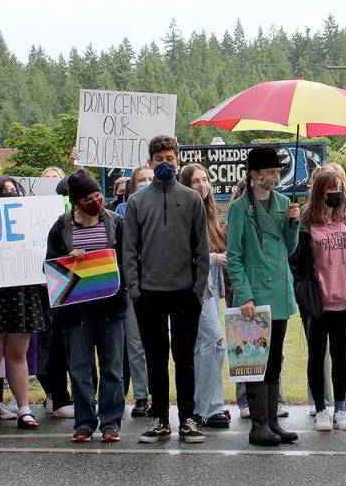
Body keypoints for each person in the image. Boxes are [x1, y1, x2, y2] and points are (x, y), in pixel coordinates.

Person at [123, 136, 210, 444]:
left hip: (186, 292)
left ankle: (187, 418)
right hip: (148, 293)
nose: (165, 163)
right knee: (155, 358)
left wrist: (198, 288)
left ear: (178, 160)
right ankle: (160, 418)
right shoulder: (136, 202)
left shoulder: (191, 199)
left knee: (184, 357)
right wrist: (134, 290)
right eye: (159, 158)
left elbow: (202, 248)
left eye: (170, 158)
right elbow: (129, 249)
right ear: (150, 162)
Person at [227, 146, 301, 446]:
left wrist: (293, 224)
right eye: (269, 171)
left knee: (274, 361)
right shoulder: (239, 208)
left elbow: (289, 248)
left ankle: (272, 422)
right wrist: (244, 295)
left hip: (280, 293)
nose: (276, 176)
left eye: (277, 171)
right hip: (255, 294)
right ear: (255, 175)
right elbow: (234, 256)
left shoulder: (284, 203)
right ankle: (258, 426)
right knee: (255, 360)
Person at [46, 170, 128, 443]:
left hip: (110, 307)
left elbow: (128, 261)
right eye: (89, 197)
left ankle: (110, 422)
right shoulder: (61, 227)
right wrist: (68, 259)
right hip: (75, 309)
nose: (96, 201)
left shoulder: (115, 222)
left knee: (112, 367)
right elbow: (50, 266)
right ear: (77, 201)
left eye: (97, 195)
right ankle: (84, 422)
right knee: (79, 368)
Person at [292, 165, 346, 432]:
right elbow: (297, 263)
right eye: (330, 189)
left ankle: (340, 408)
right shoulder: (305, 223)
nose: (336, 193)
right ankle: (321, 409)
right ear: (319, 192)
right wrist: (303, 293)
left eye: (339, 189)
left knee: (340, 355)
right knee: (316, 355)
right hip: (317, 301)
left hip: (344, 299)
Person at [0, 176, 48, 430]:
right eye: (3, 191)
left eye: (13, 190)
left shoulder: (29, 220)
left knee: (18, 355)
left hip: (21, 292)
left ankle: (24, 409)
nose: (9, 194)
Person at [179, 163, 230, 430]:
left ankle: (203, 404)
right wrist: (213, 259)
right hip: (196, 285)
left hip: (212, 283)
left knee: (204, 347)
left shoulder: (210, 214)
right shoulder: (183, 213)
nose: (202, 185)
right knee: (214, 341)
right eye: (196, 181)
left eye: (205, 179)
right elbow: (181, 254)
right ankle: (211, 406)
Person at [37, 163, 73, 418]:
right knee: (51, 342)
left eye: (55, 179)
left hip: (72, 286)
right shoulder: (33, 213)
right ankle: (55, 393)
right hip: (41, 286)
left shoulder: (70, 216)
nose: (51, 182)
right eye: (45, 178)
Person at [116, 166, 151, 417]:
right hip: (135, 284)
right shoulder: (122, 212)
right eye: (142, 180)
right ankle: (141, 395)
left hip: (164, 282)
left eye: (151, 178)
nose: (147, 183)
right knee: (136, 343)